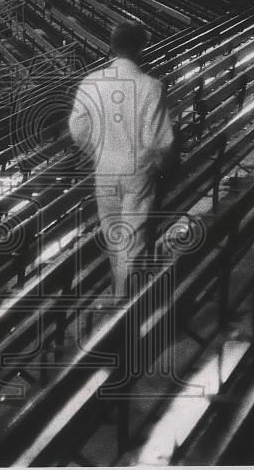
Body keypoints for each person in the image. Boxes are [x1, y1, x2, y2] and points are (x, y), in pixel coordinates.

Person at [68, 22, 177, 300]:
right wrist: (160, 167)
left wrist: (98, 151)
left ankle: (120, 298)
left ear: (112, 46)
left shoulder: (91, 81)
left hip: (105, 168)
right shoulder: (152, 86)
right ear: (141, 49)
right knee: (133, 241)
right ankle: (123, 307)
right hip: (138, 171)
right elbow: (161, 142)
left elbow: (77, 128)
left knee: (114, 236)